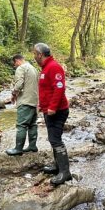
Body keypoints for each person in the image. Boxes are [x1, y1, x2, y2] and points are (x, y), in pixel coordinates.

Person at [33, 43, 72, 186]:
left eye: (34, 54)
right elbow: (46, 90)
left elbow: (59, 88)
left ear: (40, 54)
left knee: (56, 140)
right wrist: (41, 105)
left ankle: (65, 172)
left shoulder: (54, 67)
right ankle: (58, 167)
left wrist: (53, 107)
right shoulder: (45, 68)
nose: (34, 57)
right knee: (52, 139)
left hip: (58, 111)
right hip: (48, 110)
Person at [6, 54, 39, 156]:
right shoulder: (34, 69)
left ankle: (18, 148)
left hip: (25, 101)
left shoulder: (21, 68)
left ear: (17, 61)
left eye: (14, 64)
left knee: (22, 125)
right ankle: (32, 146)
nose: (15, 66)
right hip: (34, 101)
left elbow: (19, 84)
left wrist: (13, 94)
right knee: (33, 124)